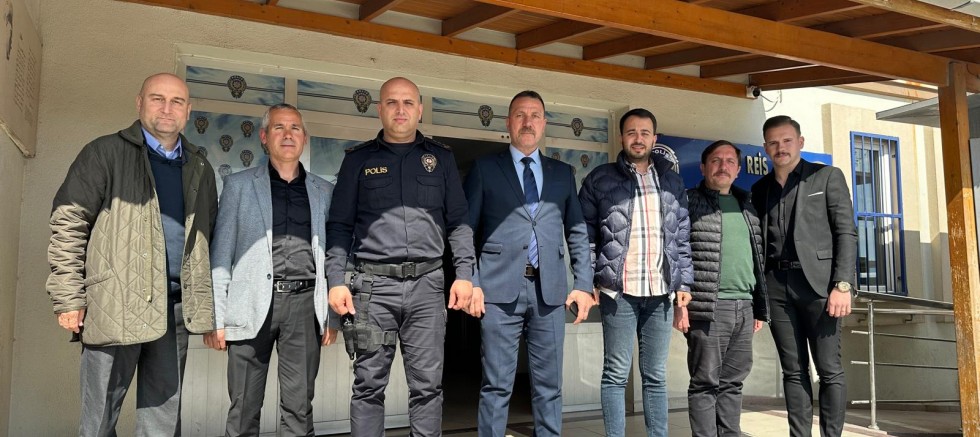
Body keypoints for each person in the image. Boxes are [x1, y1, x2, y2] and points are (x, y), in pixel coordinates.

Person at [47, 72, 217, 436]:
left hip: (174, 310)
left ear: (188, 110)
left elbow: (207, 238)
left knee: (163, 422)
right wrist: (68, 296)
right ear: (139, 103)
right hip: (114, 304)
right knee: (99, 419)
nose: (167, 108)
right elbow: (68, 221)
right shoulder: (104, 152)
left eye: (177, 101)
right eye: (158, 98)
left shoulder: (200, 167)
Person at [324, 77, 475, 436]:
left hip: (427, 287)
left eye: (408, 102)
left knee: (427, 388)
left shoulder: (441, 158)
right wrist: (335, 280)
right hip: (373, 290)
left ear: (420, 109)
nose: (400, 109)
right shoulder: (358, 160)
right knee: (368, 386)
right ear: (379, 109)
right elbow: (340, 224)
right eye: (392, 102)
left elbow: (459, 221)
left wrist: (465, 274)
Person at [465, 90, 594, 437]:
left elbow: (577, 231)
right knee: (496, 384)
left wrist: (583, 284)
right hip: (497, 290)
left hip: (549, 292)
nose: (527, 122)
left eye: (535, 115)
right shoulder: (484, 169)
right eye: (520, 115)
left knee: (549, 386)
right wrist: (472, 281)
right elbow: (466, 230)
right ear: (508, 122)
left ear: (544, 123)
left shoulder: (563, 173)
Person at [205, 103, 338, 436]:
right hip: (250, 305)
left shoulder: (324, 191)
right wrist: (216, 317)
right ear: (264, 137)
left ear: (305, 138)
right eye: (279, 127)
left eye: (295, 128)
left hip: (305, 307)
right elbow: (221, 255)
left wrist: (332, 316)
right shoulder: (238, 186)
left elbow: (335, 257)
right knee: (244, 408)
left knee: (299, 408)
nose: (288, 134)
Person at [578, 108, 692, 437]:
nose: (638, 139)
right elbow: (584, 234)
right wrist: (587, 279)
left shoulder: (672, 181)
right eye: (631, 132)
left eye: (644, 133)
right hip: (618, 292)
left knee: (655, 376)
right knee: (615, 374)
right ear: (621, 138)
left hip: (660, 292)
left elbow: (682, 236)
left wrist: (684, 282)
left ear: (655, 139)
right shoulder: (599, 179)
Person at [751, 115, 857, 437]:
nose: (780, 147)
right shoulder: (760, 189)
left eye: (787, 140)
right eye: (773, 142)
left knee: (828, 369)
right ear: (765, 147)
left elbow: (846, 233)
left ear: (800, 142)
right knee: (793, 371)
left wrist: (843, 284)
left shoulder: (826, 176)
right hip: (776, 288)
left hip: (820, 287)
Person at [674, 140, 768, 436]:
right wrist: (679, 303)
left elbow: (756, 257)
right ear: (703, 167)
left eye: (730, 161)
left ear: (738, 170)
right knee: (705, 383)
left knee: (733, 382)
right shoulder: (688, 201)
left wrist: (758, 307)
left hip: (745, 306)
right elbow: (676, 252)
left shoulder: (748, 205)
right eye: (716, 160)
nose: (722, 166)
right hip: (707, 307)